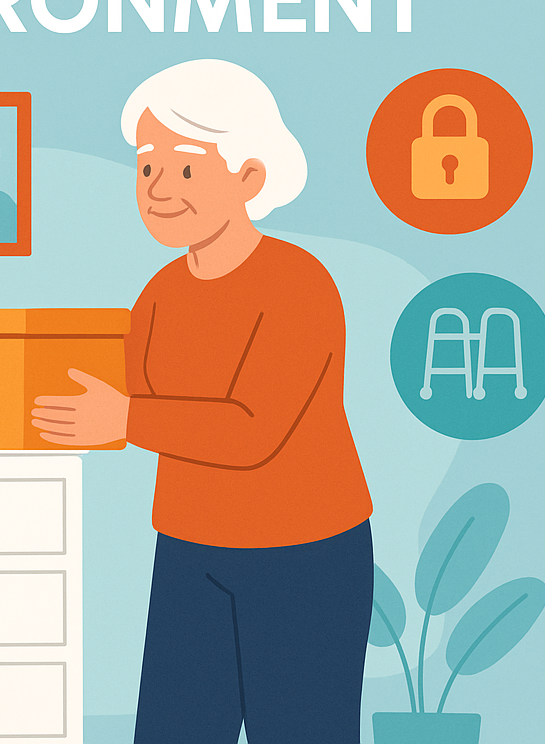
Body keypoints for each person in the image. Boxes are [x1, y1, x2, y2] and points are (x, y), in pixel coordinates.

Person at [31, 59, 374, 743]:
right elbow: (121, 397)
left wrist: (123, 417)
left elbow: (252, 429)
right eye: (146, 168)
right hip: (190, 550)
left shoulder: (299, 286)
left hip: (303, 556)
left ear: (249, 178)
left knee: (301, 729)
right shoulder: (160, 291)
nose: (158, 189)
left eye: (185, 170)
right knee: (174, 730)